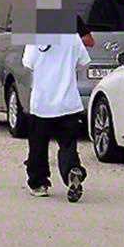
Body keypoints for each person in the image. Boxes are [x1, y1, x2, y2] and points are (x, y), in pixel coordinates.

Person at [21, 19, 95, 202]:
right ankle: (71, 171)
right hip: (69, 102)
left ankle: (39, 183)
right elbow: (83, 62)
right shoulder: (72, 37)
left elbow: (28, 63)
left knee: (38, 146)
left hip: (42, 103)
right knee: (68, 145)